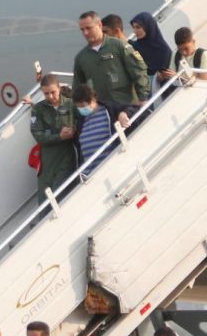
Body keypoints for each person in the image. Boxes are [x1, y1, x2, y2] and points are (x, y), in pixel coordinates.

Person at [72, 11, 150, 105]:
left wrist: (143, 98)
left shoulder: (119, 46)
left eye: (89, 28)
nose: (85, 33)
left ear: (99, 25)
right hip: (102, 110)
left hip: (127, 105)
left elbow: (138, 71)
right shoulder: (81, 58)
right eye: (82, 29)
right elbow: (78, 87)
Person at [30, 74, 77, 204]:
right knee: (45, 201)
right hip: (47, 162)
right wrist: (59, 136)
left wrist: (73, 130)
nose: (50, 96)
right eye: (46, 94)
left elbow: (78, 125)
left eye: (53, 92)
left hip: (66, 158)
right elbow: (37, 135)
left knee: (61, 197)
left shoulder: (70, 105)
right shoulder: (38, 109)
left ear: (59, 88)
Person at [72, 84, 138, 177]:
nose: (82, 109)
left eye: (83, 106)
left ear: (93, 100)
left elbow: (133, 108)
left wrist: (123, 113)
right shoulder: (81, 123)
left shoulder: (109, 109)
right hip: (90, 175)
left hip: (111, 169)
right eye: (79, 107)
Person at [130, 12, 173, 94]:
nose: (135, 31)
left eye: (138, 27)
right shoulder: (134, 47)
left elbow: (167, 73)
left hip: (162, 92)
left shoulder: (164, 50)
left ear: (148, 27)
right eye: (133, 28)